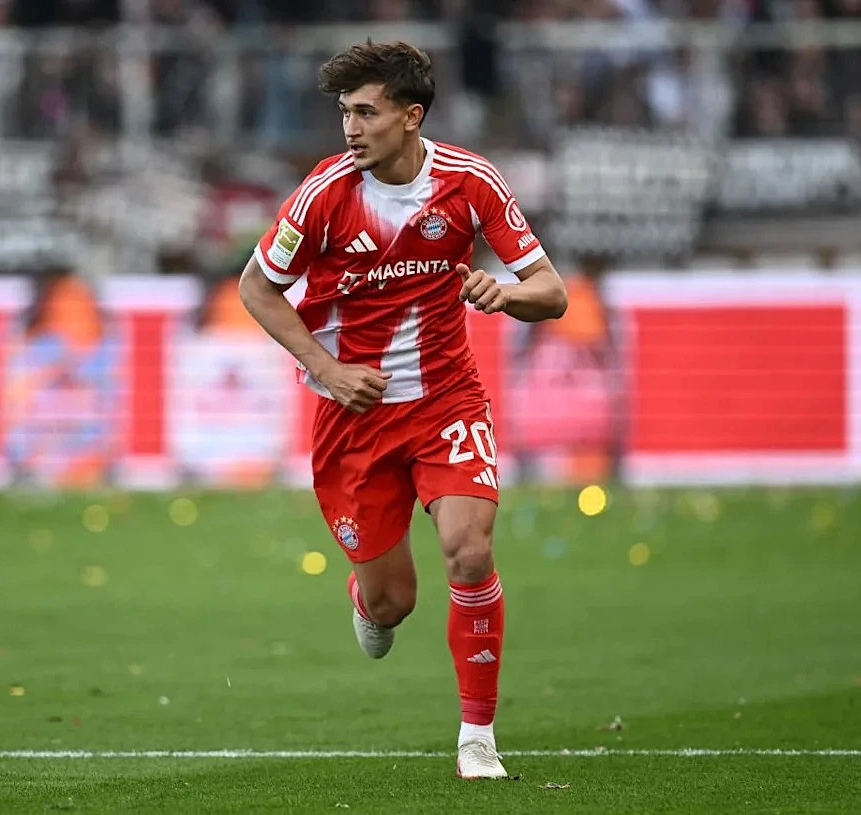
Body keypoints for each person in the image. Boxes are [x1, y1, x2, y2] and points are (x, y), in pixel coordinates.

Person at [238, 40, 568, 780]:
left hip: (447, 400)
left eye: (366, 112)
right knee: (393, 604)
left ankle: (477, 737)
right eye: (345, 113)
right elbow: (256, 287)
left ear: (411, 117)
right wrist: (326, 369)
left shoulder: (470, 183)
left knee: (470, 551)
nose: (350, 129)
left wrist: (504, 293)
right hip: (354, 415)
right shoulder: (324, 193)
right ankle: (368, 598)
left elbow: (552, 292)